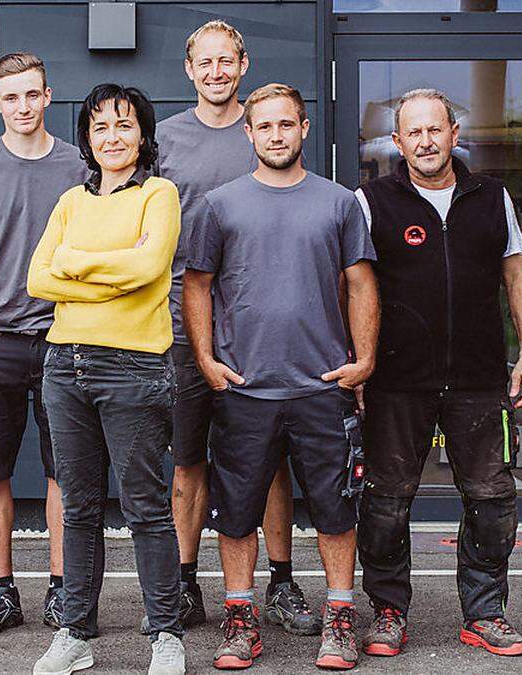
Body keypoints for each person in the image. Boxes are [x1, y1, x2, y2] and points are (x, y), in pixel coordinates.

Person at [183, 83, 379, 671]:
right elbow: (196, 285)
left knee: (336, 510)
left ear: (303, 129)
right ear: (248, 133)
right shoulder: (218, 205)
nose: (275, 135)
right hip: (244, 387)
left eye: (286, 125)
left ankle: (340, 616)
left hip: (323, 385)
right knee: (238, 512)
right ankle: (239, 618)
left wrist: (364, 360)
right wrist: (206, 361)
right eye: (264, 126)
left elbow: (362, 283)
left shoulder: (339, 203)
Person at [354, 88, 522, 659]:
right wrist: (360, 364)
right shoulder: (372, 201)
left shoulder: (492, 198)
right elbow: (356, 289)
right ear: (397, 141)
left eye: (435, 130)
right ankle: (388, 611)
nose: (426, 141)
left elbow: (517, 275)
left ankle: (485, 612)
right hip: (396, 378)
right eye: (414, 132)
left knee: (491, 498)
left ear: (455, 134)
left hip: (480, 377)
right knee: (386, 499)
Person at [152, 20, 313, 637]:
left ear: (243, 65)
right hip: (179, 325)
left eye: (227, 61)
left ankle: (281, 581)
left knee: (268, 461)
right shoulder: (163, 140)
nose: (216, 71)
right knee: (189, 459)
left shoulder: (269, 130)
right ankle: (186, 582)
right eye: (205, 62)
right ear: (189, 70)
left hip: (260, 322)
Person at [28, 84, 185, 675]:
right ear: (87, 139)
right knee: (79, 507)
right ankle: (75, 634)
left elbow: (150, 268)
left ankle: (166, 635)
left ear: (142, 133)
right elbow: (38, 280)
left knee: (146, 507)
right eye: (99, 128)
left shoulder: (160, 194)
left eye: (123, 126)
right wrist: (110, 278)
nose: (112, 138)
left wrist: (76, 262)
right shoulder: (70, 200)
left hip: (133, 368)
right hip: (64, 367)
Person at [0, 52, 88, 639]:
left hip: (63, 339)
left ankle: (60, 589)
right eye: (11, 97)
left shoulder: (80, 165)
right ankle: (1, 590)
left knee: (65, 472)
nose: (23, 107)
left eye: (33, 95)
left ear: (48, 96)